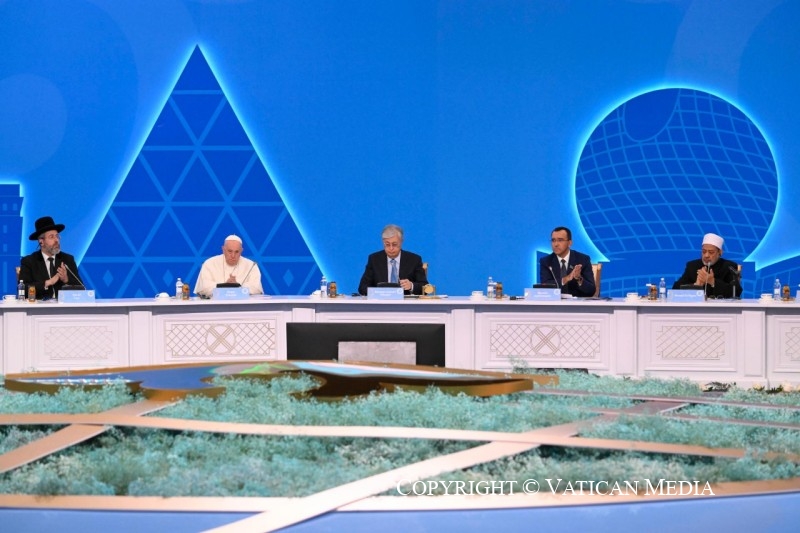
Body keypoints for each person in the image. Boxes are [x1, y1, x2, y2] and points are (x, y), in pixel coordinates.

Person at [19, 216, 82, 299]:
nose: (56, 240)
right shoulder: (29, 261)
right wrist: (47, 283)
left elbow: (81, 288)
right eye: (51, 237)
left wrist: (66, 279)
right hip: (39, 306)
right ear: (41, 241)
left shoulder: (67, 259)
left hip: (63, 306)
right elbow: (23, 290)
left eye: (57, 236)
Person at [358, 224, 428, 295]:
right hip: (381, 301)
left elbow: (425, 288)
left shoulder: (414, 260)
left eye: (394, 244)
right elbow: (362, 287)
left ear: (401, 241)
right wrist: (378, 292)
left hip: (405, 301)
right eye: (387, 244)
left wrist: (411, 286)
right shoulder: (374, 259)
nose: (391, 248)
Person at [673, 233, 742, 298]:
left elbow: (736, 292)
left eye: (711, 252)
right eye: (704, 251)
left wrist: (712, 281)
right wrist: (696, 285)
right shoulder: (692, 266)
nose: (706, 255)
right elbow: (675, 289)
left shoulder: (729, 267)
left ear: (720, 252)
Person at [194, 235, 264, 298]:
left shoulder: (251, 265)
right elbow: (204, 288)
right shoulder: (209, 263)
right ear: (223, 249)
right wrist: (225, 286)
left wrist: (237, 286)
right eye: (230, 251)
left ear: (241, 251)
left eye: (237, 252)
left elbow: (256, 288)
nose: (233, 255)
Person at [538, 226, 596, 297]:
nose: (556, 244)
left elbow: (591, 291)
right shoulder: (546, 261)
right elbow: (545, 287)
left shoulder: (583, 259)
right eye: (553, 240)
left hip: (577, 302)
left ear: (570, 243)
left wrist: (579, 278)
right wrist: (566, 279)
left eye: (560, 240)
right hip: (555, 302)